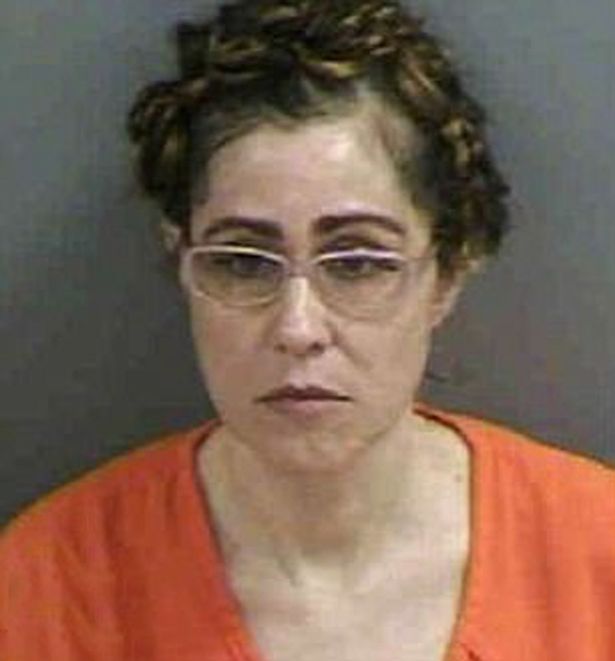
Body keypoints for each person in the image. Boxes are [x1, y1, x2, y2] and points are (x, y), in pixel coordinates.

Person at [1, 0, 614, 659]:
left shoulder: (594, 553)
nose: (297, 328)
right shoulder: (47, 587)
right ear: (182, 262)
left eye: (357, 262)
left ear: (447, 273)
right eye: (242, 262)